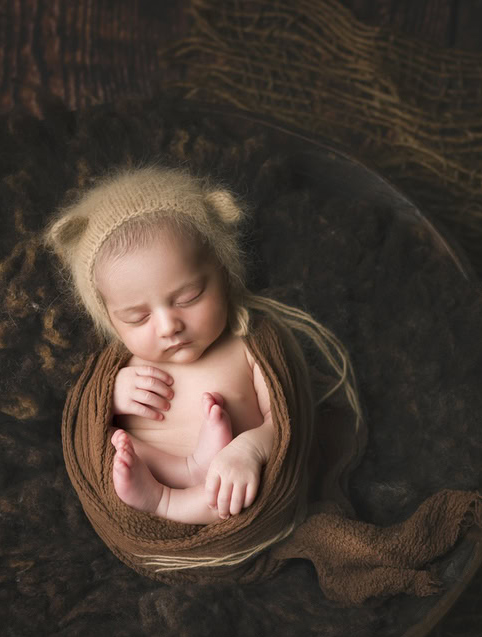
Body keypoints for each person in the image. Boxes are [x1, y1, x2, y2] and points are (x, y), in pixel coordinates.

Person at [44, 163, 359, 525]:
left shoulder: (248, 345)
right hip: (148, 477)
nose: (168, 326)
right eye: (137, 317)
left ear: (223, 275)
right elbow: (89, 424)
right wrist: (109, 396)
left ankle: (170, 499)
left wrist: (250, 448)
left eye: (189, 297)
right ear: (110, 319)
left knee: (233, 499)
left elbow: (287, 420)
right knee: (114, 445)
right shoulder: (122, 367)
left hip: (225, 486)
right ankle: (171, 487)